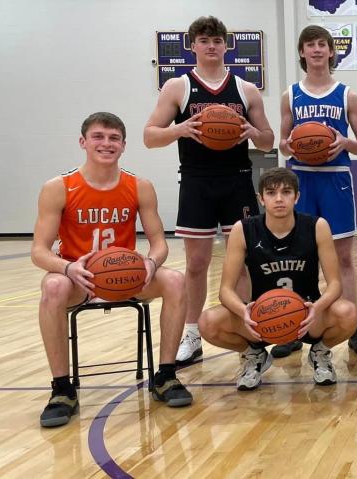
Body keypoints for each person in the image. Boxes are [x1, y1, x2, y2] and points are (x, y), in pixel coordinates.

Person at [32, 112, 193, 427]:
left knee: (174, 280)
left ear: (123, 145)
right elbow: (38, 251)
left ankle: (166, 376)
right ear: (83, 142)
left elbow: (160, 243)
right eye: (98, 136)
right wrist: (67, 268)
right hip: (79, 278)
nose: (106, 143)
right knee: (52, 287)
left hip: (124, 276)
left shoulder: (139, 186)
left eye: (114, 138)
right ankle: (62, 390)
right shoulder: (59, 187)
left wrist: (150, 262)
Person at [144, 16, 275, 365]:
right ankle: (191, 333)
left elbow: (268, 140)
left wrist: (252, 131)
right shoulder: (178, 87)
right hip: (197, 180)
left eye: (217, 40)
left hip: (237, 179)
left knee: (245, 262)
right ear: (193, 45)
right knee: (197, 263)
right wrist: (181, 129)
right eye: (204, 40)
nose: (212, 46)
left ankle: (249, 332)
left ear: (227, 45)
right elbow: (149, 136)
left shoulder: (246, 89)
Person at [198, 168, 357, 390]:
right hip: (261, 318)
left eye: (286, 192)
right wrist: (243, 312)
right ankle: (254, 355)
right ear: (261, 199)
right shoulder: (243, 230)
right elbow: (225, 290)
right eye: (271, 193)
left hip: (307, 317)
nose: (279, 199)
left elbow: (335, 285)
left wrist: (317, 307)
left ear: (297, 197)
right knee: (207, 323)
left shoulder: (317, 226)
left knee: (349, 313)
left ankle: (320, 352)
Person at [275, 25, 357, 358]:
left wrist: (345, 142)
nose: (316, 50)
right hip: (300, 179)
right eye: (310, 45)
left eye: (322, 44)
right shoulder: (291, 94)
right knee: (299, 257)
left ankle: (353, 325)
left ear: (331, 51)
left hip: (335, 178)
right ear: (302, 52)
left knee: (342, 256)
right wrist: (290, 145)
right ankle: (294, 323)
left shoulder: (348, 94)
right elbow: (283, 144)